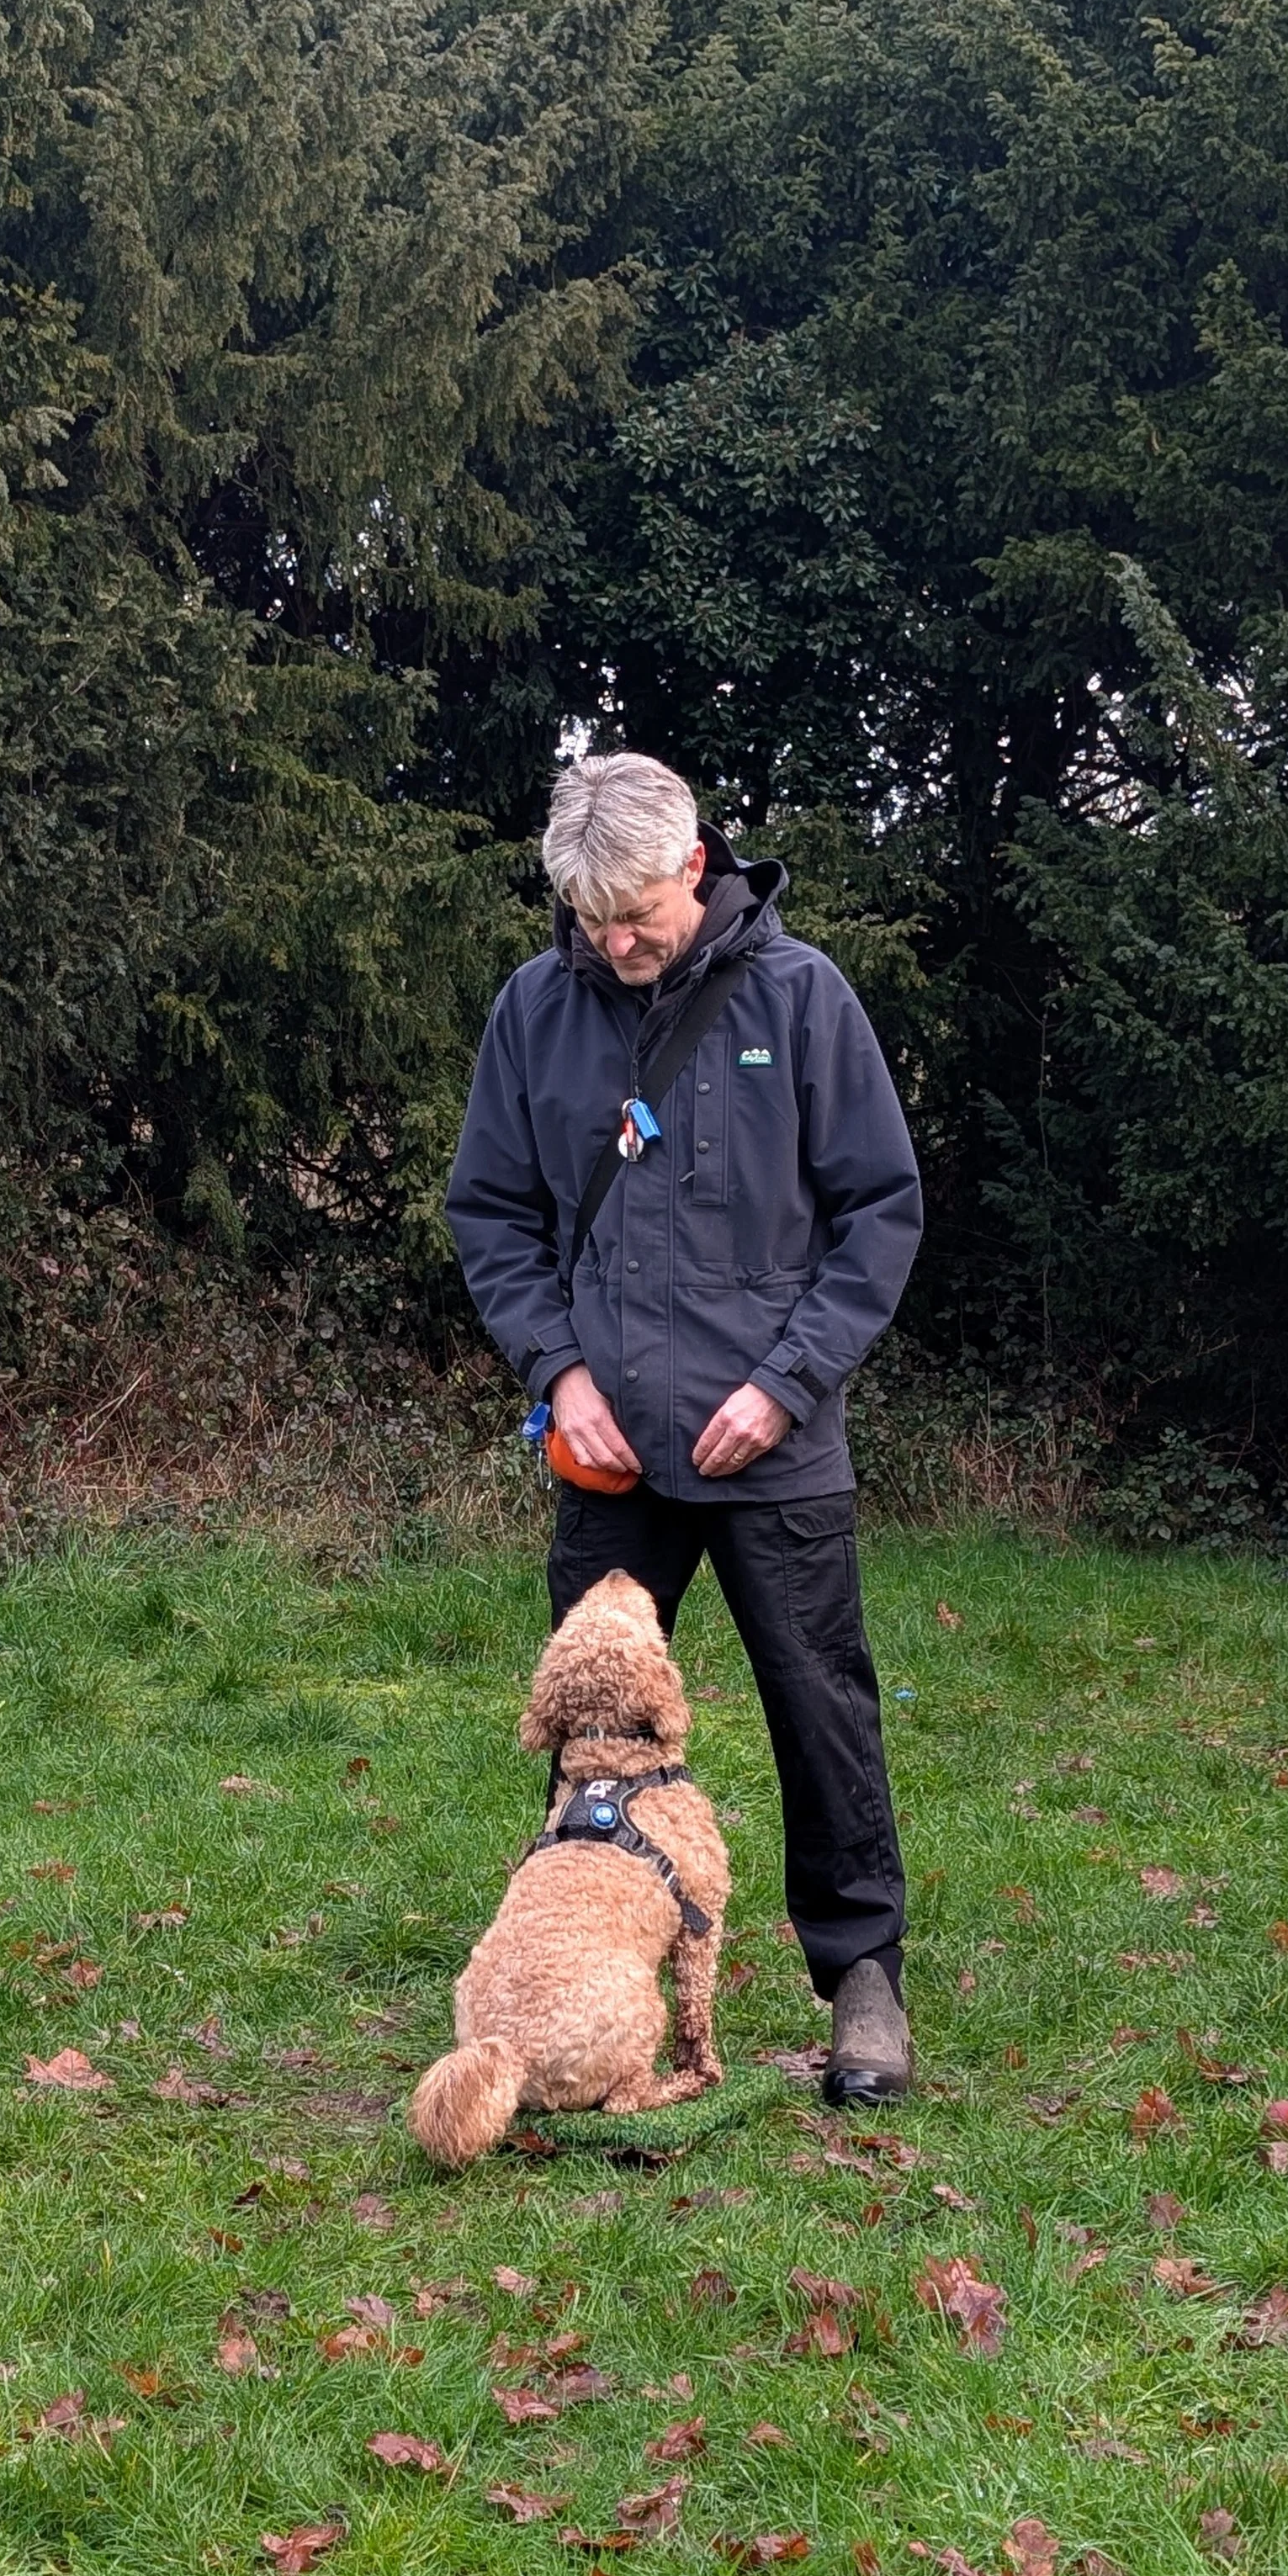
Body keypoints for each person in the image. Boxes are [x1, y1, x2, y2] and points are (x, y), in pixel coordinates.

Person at [446, 750, 924, 2103]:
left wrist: (785, 1385)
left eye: (638, 912)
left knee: (820, 1711)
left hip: (776, 1445)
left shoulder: (802, 997)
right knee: (588, 1735)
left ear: (696, 867)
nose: (618, 940)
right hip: (610, 1453)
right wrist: (559, 1371)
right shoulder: (536, 1011)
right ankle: (571, 1982)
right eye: (592, 919)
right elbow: (491, 1214)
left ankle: (864, 1983)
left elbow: (879, 1212)